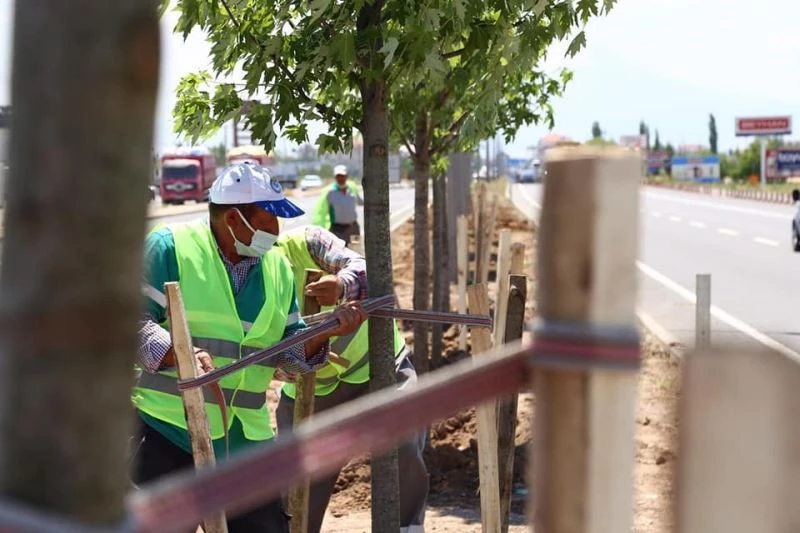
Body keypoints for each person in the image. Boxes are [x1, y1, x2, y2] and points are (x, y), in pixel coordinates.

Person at [131, 162, 367, 533]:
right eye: (269, 217)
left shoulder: (277, 269)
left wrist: (324, 333)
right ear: (233, 218)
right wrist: (179, 353)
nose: (276, 229)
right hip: (168, 430)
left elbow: (286, 361)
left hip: (245, 439)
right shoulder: (170, 248)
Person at [273, 224, 429, 533]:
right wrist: (321, 337)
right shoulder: (248, 289)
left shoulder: (306, 242)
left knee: (404, 448)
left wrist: (342, 286)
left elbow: (371, 273)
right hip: (313, 391)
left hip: (378, 365)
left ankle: (406, 529)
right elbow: (277, 368)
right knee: (297, 490)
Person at [311, 164, 363, 245]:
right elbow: (320, 211)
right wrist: (320, 229)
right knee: (340, 252)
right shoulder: (329, 192)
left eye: (343, 176)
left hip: (353, 228)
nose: (341, 178)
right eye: (338, 176)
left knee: (356, 250)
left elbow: (360, 201)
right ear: (335, 177)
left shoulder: (352, 188)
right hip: (337, 229)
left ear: (347, 177)